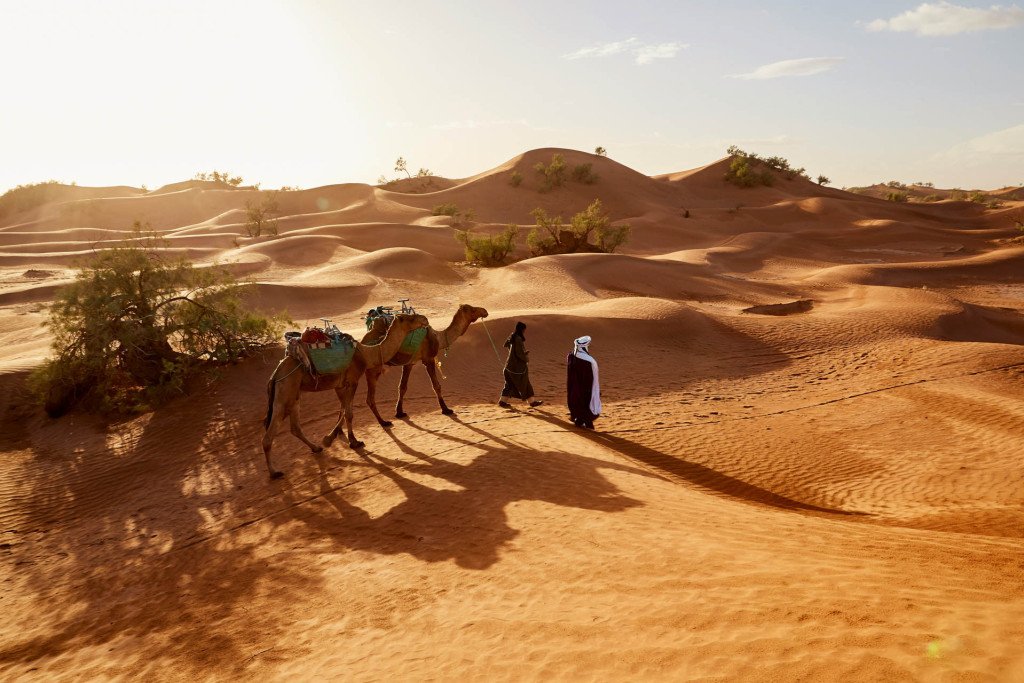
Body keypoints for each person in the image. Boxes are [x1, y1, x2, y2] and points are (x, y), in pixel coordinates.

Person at [499, 321, 543, 409]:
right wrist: (526, 357)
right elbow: (519, 353)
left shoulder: (512, 336)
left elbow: (506, 345)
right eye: (524, 329)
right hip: (516, 368)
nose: (524, 331)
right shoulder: (518, 338)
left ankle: (502, 402)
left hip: (509, 366)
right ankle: (532, 402)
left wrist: (514, 352)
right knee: (525, 382)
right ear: (522, 329)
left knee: (509, 384)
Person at [566, 335, 601, 429]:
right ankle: (587, 423)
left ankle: (578, 420)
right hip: (585, 388)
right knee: (587, 404)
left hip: (574, 386)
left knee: (577, 403)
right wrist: (593, 389)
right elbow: (588, 377)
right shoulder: (588, 361)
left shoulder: (571, 355)